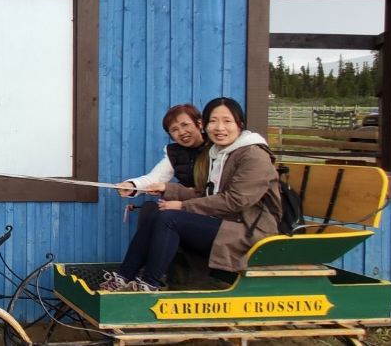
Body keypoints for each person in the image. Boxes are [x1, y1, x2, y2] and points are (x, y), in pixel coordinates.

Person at [100, 97, 281, 292]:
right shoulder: (220, 153)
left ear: (240, 124)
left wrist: (182, 206)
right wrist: (167, 189)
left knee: (170, 218)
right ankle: (123, 277)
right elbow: (204, 193)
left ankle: (149, 284)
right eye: (213, 121)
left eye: (227, 121)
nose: (219, 127)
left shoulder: (254, 155)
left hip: (250, 232)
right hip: (225, 223)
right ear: (206, 124)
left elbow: (235, 200)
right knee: (154, 215)